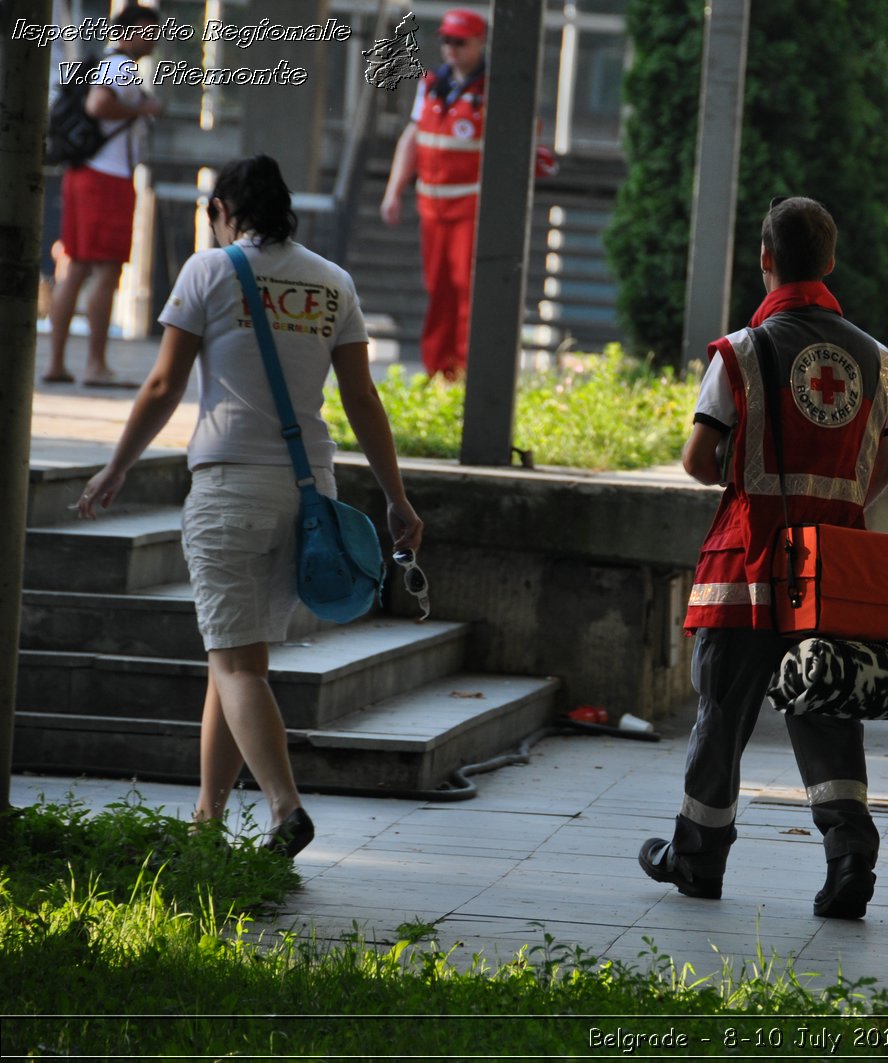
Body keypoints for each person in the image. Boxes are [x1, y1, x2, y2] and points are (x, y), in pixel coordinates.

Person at [76, 155, 424, 857]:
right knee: (234, 659)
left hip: (231, 486)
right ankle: (206, 821)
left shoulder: (210, 270)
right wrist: (396, 497)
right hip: (309, 496)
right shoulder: (332, 281)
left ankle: (285, 806)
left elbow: (163, 384)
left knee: (237, 665)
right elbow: (363, 399)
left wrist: (116, 468)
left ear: (224, 211)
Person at [640, 196, 888, 920]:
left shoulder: (742, 352)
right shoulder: (878, 362)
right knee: (826, 709)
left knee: (722, 713)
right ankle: (850, 855)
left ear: (765, 259)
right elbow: (885, 465)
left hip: (747, 566)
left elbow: (698, 459)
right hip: (832, 573)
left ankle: (696, 859)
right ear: (830, 261)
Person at [380, 8, 555, 380]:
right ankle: (437, 371)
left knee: (468, 292)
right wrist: (394, 190)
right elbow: (412, 137)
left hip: (472, 207)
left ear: (480, 42)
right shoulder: (431, 84)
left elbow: (520, 143)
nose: (451, 49)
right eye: (446, 40)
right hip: (432, 207)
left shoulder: (496, 89)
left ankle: (465, 374)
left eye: (460, 42)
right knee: (438, 290)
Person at [42, 3, 163, 388]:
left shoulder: (107, 63)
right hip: (106, 178)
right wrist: (143, 106)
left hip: (83, 174)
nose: (154, 39)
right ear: (128, 30)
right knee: (108, 269)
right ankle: (96, 365)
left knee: (75, 268)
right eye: (147, 30)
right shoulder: (119, 65)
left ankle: (57, 362)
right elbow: (99, 104)